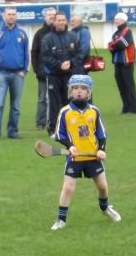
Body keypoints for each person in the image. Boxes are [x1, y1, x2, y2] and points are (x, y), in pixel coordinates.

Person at [50, 75, 121, 231]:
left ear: (89, 92)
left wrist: (101, 149)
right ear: (70, 92)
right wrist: (70, 146)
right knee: (68, 188)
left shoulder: (94, 111)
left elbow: (101, 134)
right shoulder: (65, 112)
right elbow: (59, 134)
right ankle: (61, 220)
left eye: (83, 88)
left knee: (102, 186)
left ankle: (104, 208)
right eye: (75, 88)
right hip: (74, 158)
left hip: (92, 156)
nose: (79, 92)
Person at [0, 7, 29, 141]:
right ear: (4, 16)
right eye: (9, 14)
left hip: (18, 74)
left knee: (15, 106)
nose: (11, 17)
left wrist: (25, 71)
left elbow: (27, 53)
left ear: (16, 16)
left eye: (13, 14)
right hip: (2, 74)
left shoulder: (22, 33)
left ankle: (12, 132)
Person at [42, 11, 83, 135]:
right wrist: (59, 65)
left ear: (66, 21)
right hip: (54, 75)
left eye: (63, 20)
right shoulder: (47, 38)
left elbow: (80, 54)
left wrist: (70, 62)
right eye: (58, 20)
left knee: (69, 102)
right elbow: (45, 56)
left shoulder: (72, 36)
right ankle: (53, 129)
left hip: (69, 76)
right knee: (54, 103)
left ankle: (69, 128)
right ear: (54, 22)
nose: (61, 22)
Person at [31, 7, 55, 131]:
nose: (51, 16)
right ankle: (40, 123)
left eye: (53, 15)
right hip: (43, 72)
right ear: (45, 17)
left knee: (57, 98)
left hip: (58, 73)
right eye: (49, 14)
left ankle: (56, 121)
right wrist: (37, 70)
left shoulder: (61, 32)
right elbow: (34, 53)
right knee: (42, 99)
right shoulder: (39, 34)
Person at [108, 12, 136, 114]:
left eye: (117, 19)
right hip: (117, 62)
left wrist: (113, 45)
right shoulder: (116, 33)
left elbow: (123, 44)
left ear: (122, 20)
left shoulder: (127, 31)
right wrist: (113, 45)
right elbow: (111, 47)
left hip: (127, 62)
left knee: (129, 85)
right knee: (121, 86)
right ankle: (125, 107)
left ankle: (133, 108)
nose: (115, 21)